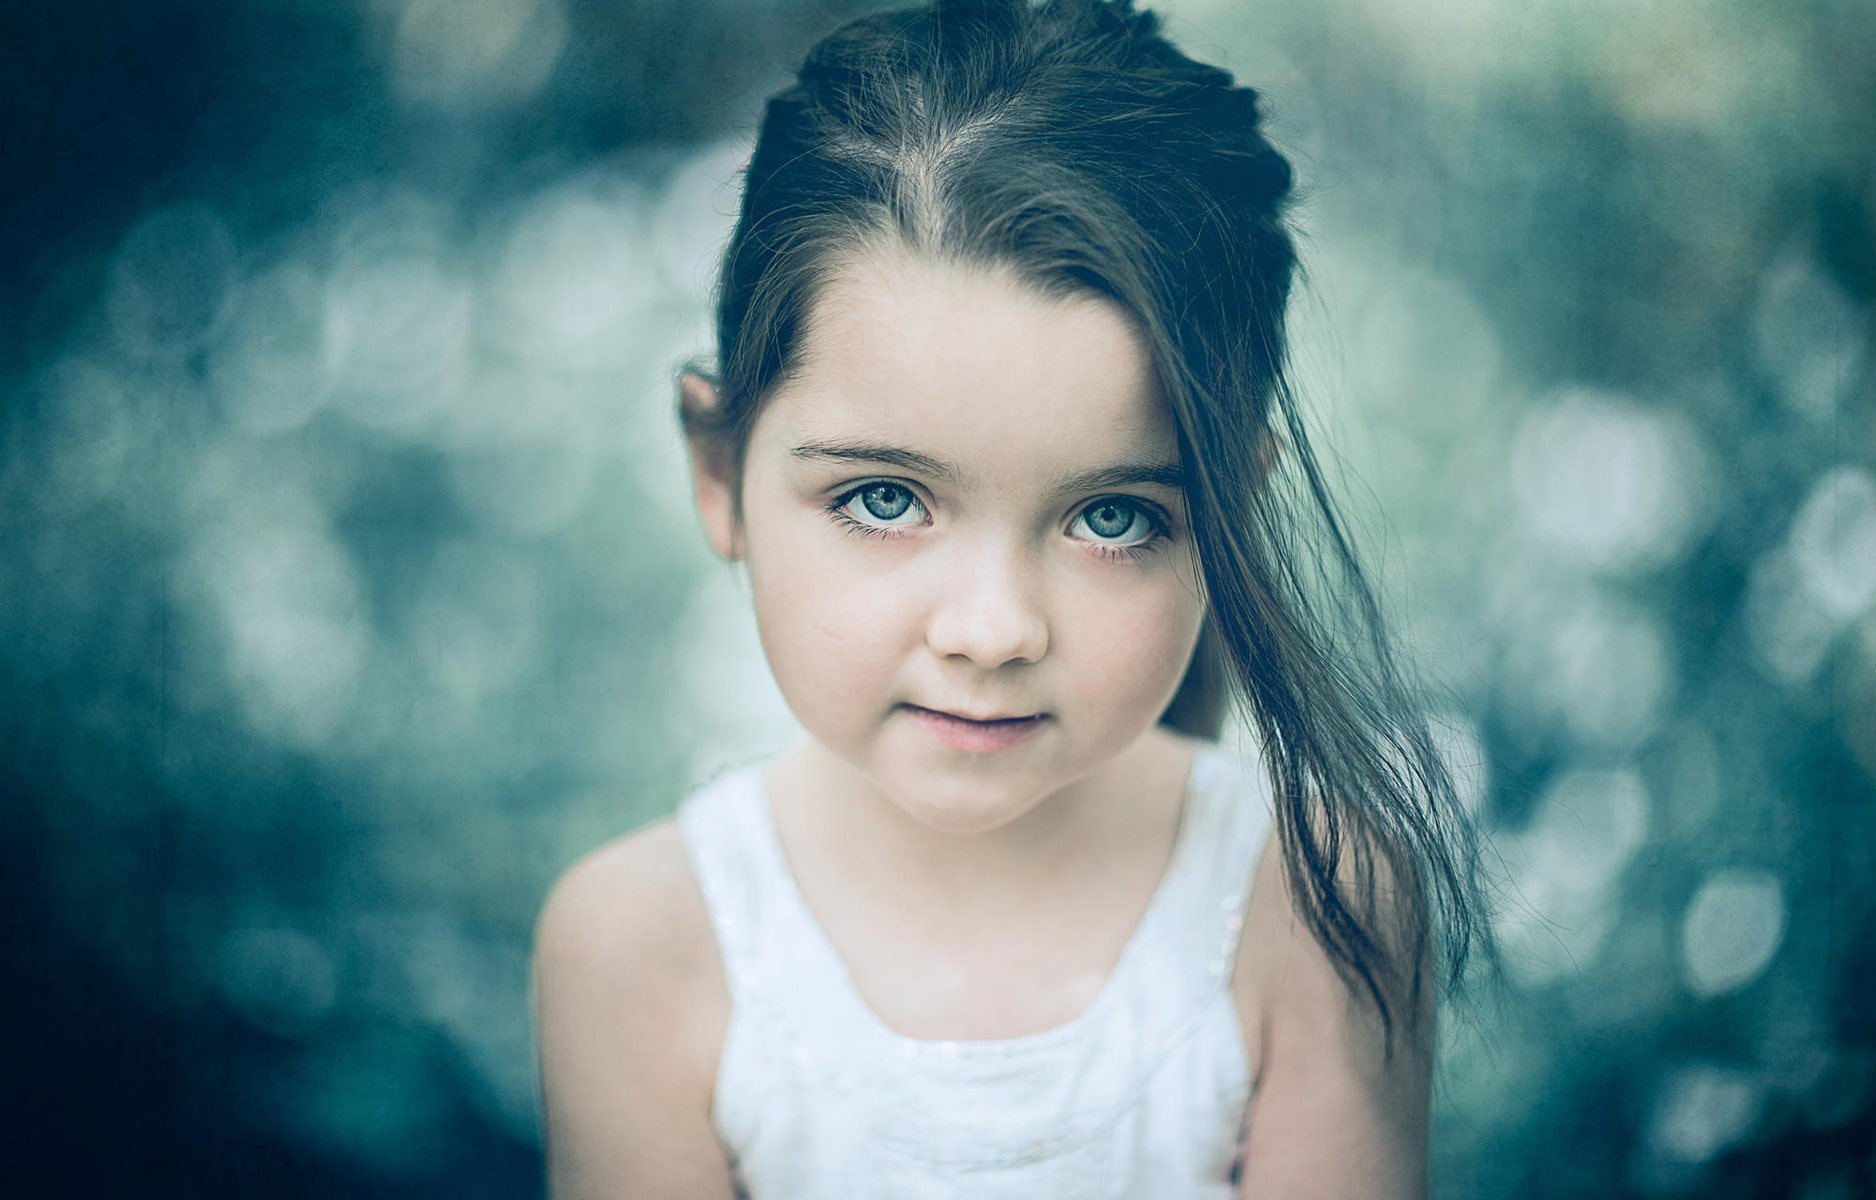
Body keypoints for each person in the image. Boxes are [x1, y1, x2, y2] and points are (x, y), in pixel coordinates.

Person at [532, 0, 1486, 1195]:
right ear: (720, 473)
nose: (992, 632)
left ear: (1227, 517)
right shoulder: (641, 945)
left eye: (1112, 517)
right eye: (884, 501)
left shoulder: (1313, 905)